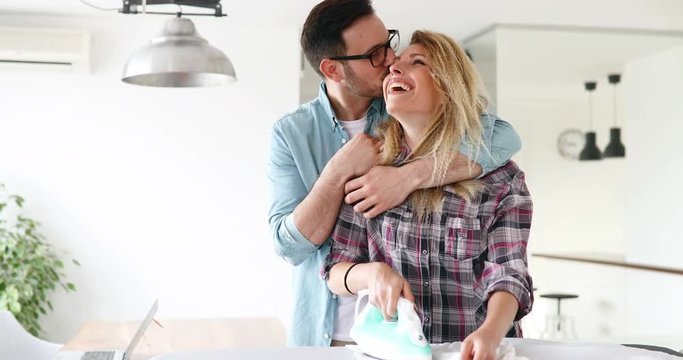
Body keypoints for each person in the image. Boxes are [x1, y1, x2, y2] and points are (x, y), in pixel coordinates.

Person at [268, 0, 522, 347]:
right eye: (374, 53)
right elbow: (291, 247)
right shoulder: (291, 133)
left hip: (448, 342)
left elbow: (503, 138)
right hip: (341, 334)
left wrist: (405, 177)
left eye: (389, 43)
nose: (390, 61)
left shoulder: (402, 115)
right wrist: (339, 169)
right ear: (333, 70)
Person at [323, 30, 533, 360]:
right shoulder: (368, 170)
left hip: (478, 352)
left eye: (416, 62)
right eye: (395, 63)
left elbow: (509, 272)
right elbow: (335, 272)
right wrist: (372, 274)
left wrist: (490, 332)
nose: (394, 68)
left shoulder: (501, 178)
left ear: (450, 88)